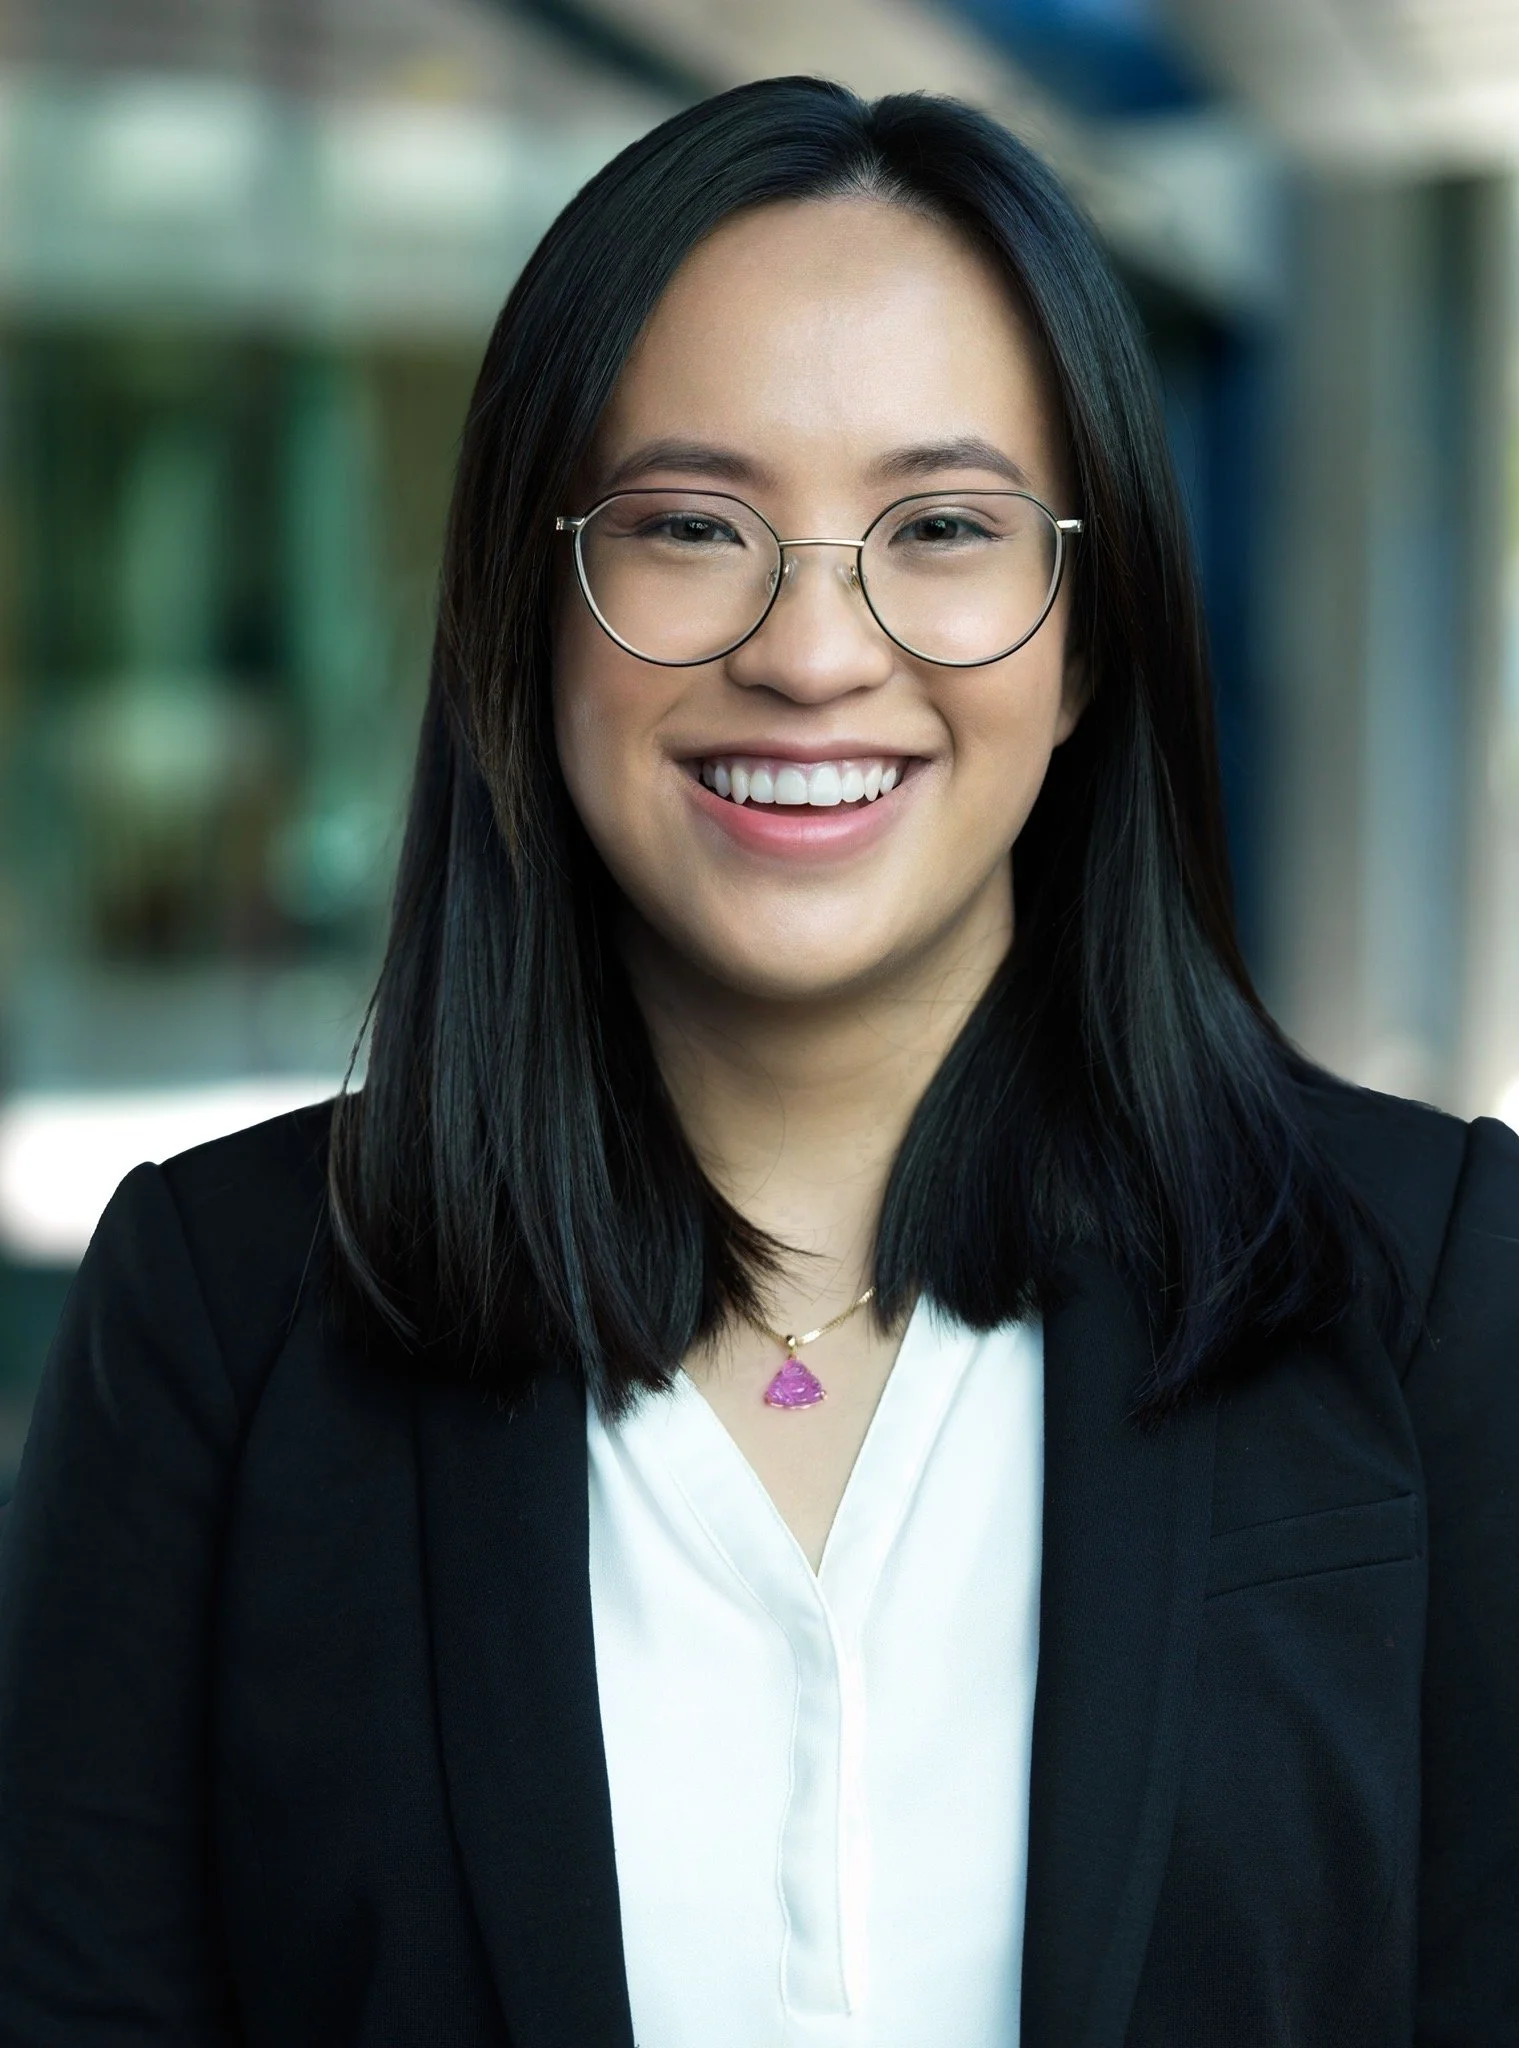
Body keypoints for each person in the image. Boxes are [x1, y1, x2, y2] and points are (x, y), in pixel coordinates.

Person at [0, 74, 1514, 2048]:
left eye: (944, 525)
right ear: (526, 613)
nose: (815, 650)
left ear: (1089, 638)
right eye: (695, 525)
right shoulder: (221, 1313)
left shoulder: (1433, 1288)